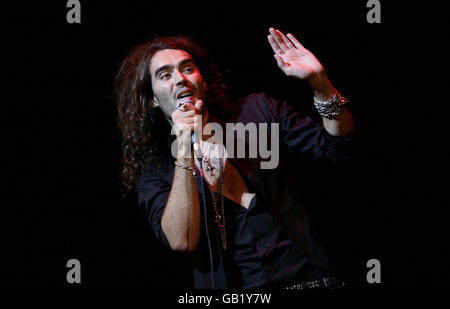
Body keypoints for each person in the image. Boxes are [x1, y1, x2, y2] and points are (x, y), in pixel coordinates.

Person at [115, 27, 354, 289]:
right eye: (165, 75)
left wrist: (319, 82)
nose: (180, 79)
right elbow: (182, 240)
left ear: (203, 82)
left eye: (187, 68)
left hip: (313, 279)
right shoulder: (156, 169)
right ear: (153, 101)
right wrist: (184, 145)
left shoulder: (258, 113)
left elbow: (337, 147)